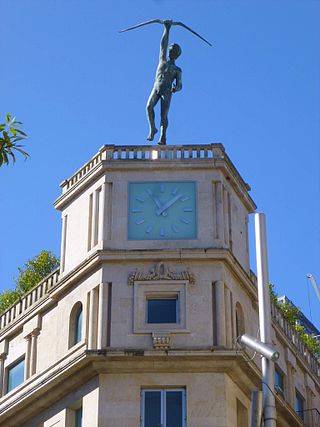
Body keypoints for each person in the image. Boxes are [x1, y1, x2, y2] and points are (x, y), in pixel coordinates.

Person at [146, 20, 182, 145]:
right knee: (149, 107)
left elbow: (180, 85)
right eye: (170, 49)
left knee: (163, 115)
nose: (170, 51)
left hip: (167, 90)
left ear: (177, 54)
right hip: (156, 87)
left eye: (173, 51)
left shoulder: (177, 70)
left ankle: (163, 136)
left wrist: (176, 88)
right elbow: (163, 45)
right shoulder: (162, 60)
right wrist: (167, 29)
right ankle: (153, 129)